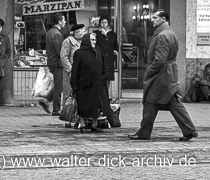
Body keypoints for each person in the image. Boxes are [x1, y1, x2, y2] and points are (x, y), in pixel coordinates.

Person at [129, 11, 199, 141]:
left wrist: (149, 71)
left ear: (163, 19)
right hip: (167, 73)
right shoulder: (170, 33)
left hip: (161, 75)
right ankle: (189, 130)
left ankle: (144, 132)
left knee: (152, 101)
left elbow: (160, 59)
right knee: (170, 102)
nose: (152, 20)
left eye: (155, 18)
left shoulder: (162, 35)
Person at [71, 33, 112, 133]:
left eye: (95, 40)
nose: (94, 42)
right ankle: (83, 124)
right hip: (83, 84)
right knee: (82, 105)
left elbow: (103, 64)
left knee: (96, 106)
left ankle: (94, 125)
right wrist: (74, 84)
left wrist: (104, 76)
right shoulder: (79, 53)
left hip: (97, 84)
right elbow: (75, 70)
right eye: (92, 40)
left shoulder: (97, 51)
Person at [41, 13, 66, 116]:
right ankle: (56, 109)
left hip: (52, 62)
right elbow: (60, 50)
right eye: (63, 20)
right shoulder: (57, 34)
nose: (65, 22)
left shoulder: (50, 32)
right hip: (57, 63)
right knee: (58, 87)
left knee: (57, 85)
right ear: (59, 21)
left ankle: (46, 99)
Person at [61, 24, 86, 114]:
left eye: (83, 31)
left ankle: (77, 115)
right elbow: (63, 57)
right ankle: (67, 115)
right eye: (80, 31)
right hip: (70, 72)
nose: (82, 33)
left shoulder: (84, 42)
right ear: (75, 32)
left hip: (81, 72)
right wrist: (70, 70)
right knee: (69, 94)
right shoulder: (68, 41)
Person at [94, 16, 119, 91]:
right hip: (100, 58)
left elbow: (116, 45)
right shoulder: (97, 34)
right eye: (102, 22)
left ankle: (107, 95)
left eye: (105, 22)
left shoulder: (112, 34)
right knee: (100, 77)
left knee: (108, 77)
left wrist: (115, 50)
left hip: (109, 59)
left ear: (108, 24)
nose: (103, 24)